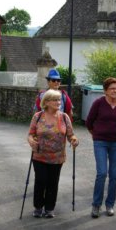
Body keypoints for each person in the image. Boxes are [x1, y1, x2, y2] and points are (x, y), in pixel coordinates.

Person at [27, 89, 79, 218]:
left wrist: (74, 140)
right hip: (39, 155)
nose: (58, 102)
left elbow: (71, 135)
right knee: (41, 180)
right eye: (55, 100)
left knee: (53, 182)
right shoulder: (38, 116)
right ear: (47, 102)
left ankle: (49, 208)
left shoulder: (64, 117)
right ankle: (38, 207)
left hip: (57, 157)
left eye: (59, 100)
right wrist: (31, 141)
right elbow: (30, 134)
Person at [86, 77, 116, 218]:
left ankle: (110, 204)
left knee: (114, 175)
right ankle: (96, 205)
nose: (115, 90)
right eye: (112, 88)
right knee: (102, 173)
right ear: (105, 90)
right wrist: (95, 134)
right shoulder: (98, 103)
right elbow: (89, 121)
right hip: (100, 142)